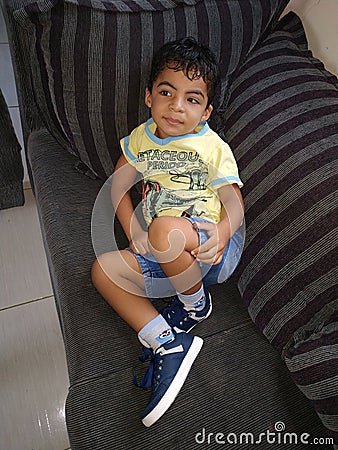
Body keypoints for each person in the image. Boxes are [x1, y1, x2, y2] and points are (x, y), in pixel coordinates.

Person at [91, 37, 245, 427]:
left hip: (209, 244)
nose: (177, 106)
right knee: (103, 270)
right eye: (166, 92)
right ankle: (167, 342)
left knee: (164, 229)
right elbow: (117, 187)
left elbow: (235, 204)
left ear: (206, 111)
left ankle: (196, 305)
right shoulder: (140, 140)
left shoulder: (211, 146)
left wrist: (224, 233)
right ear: (149, 96)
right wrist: (131, 229)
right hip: (163, 250)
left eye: (192, 99)